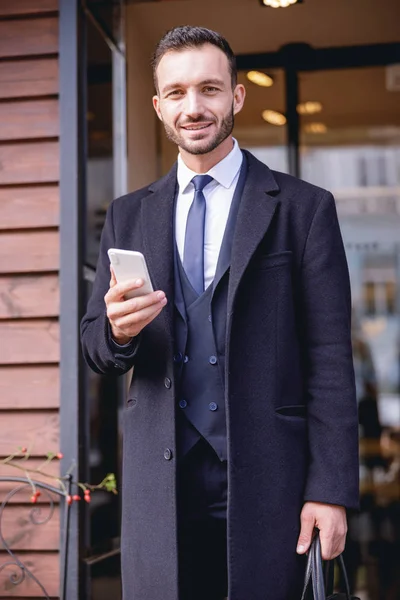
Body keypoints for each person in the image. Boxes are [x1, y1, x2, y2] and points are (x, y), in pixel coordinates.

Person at [81, 25, 359, 600]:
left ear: (236, 96)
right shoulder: (129, 215)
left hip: (268, 480)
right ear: (158, 105)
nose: (194, 107)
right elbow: (95, 347)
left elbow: (330, 357)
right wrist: (116, 332)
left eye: (209, 88)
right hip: (162, 485)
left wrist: (330, 489)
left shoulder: (304, 209)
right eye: (177, 93)